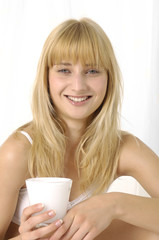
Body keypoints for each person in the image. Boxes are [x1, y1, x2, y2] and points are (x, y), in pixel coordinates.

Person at [0, 18, 159, 240]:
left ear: (109, 79)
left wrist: (114, 204)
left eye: (92, 71)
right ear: (46, 77)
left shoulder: (123, 148)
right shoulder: (18, 151)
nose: (78, 85)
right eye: (64, 70)